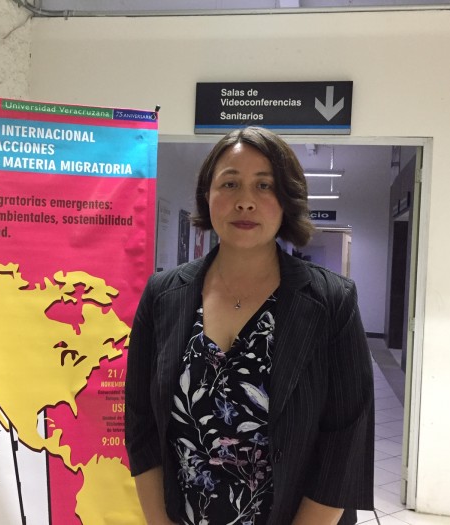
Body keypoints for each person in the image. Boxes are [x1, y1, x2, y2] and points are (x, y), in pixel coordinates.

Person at [125, 127, 374, 525]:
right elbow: (141, 423)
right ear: (207, 195)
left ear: (286, 199)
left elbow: (345, 445)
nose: (245, 201)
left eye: (264, 185)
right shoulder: (161, 295)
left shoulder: (331, 302)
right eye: (230, 183)